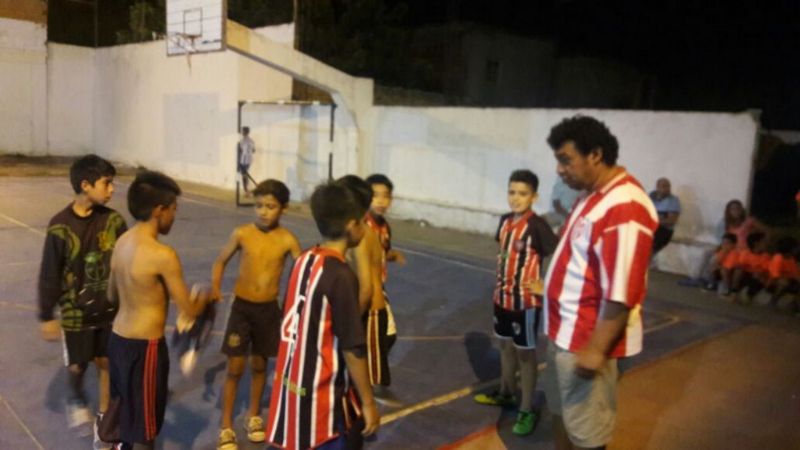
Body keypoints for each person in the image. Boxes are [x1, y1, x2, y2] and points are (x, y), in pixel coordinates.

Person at [542, 115, 658, 450]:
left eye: (566, 160)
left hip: (584, 340)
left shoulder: (624, 206)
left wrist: (596, 349)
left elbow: (622, 291)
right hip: (564, 333)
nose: (560, 170)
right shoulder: (594, 194)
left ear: (595, 154)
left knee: (587, 433)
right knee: (562, 415)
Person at [265, 181, 379, 450]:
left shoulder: (305, 260)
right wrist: (369, 403)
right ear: (352, 225)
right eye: (363, 221)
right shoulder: (341, 276)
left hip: (291, 390)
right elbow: (353, 349)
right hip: (322, 402)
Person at [107, 171, 213, 450]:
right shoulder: (163, 255)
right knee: (145, 430)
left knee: (126, 415)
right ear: (159, 210)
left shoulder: (121, 243)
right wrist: (205, 295)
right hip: (146, 349)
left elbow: (111, 295)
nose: (174, 217)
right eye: (174, 210)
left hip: (117, 341)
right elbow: (189, 310)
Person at [37, 155, 127, 449]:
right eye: (107, 183)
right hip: (76, 314)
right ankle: (76, 395)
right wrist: (46, 314)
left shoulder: (114, 221)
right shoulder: (60, 226)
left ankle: (103, 423)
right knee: (77, 366)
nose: (112, 189)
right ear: (86, 185)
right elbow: (49, 272)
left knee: (105, 362)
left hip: (108, 311)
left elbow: (129, 261)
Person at [211, 179, 301, 450]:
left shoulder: (287, 239)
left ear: (283, 209)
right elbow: (220, 261)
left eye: (270, 206)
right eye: (259, 205)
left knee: (260, 365)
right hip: (242, 309)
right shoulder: (242, 233)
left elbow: (303, 269)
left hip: (268, 311)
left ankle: (253, 416)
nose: (263, 211)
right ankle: (226, 426)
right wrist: (216, 287)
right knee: (235, 368)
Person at [473, 169, 557, 436]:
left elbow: (558, 254)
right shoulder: (506, 221)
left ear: (534, 196)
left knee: (525, 353)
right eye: (512, 192)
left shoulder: (537, 225)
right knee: (505, 346)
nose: (516, 198)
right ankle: (507, 392)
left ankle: (526, 407)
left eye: (522, 193)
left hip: (526, 303)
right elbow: (505, 252)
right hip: (502, 298)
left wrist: (548, 285)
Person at [361, 174, 405, 399]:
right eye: (375, 195)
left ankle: (364, 375)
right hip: (367, 289)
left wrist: (391, 255)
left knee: (385, 335)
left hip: (379, 288)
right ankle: (372, 382)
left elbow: (381, 252)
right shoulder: (361, 225)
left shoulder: (384, 226)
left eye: (385, 196)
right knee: (385, 334)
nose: (380, 200)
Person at [726, 232, 770, 303]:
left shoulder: (765, 256)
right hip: (747, 275)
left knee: (758, 277)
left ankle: (749, 296)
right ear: (756, 243)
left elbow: (764, 271)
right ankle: (734, 292)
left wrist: (755, 271)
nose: (766, 244)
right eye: (764, 242)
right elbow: (740, 265)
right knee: (739, 271)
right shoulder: (746, 253)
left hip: (756, 278)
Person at [649, 177, 681, 255]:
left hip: (664, 230)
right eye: (664, 186)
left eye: (668, 186)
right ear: (657, 187)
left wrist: (654, 219)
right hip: (651, 227)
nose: (668, 188)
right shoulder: (650, 196)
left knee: (651, 243)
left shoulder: (673, 200)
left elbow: (671, 221)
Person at [766, 237, 799, 310]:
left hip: (787, 281)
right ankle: (772, 301)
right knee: (784, 283)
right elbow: (775, 276)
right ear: (790, 249)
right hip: (773, 283)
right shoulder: (778, 258)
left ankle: (794, 304)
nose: (797, 250)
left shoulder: (791, 259)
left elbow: (795, 274)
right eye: (795, 248)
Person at [238, 127, 255, 194]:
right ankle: (246, 189)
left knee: (244, 175)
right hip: (249, 160)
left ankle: (246, 190)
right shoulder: (251, 141)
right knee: (245, 174)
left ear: (245, 132)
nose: (242, 132)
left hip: (244, 160)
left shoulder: (242, 141)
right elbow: (253, 150)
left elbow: (241, 150)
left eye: (243, 131)